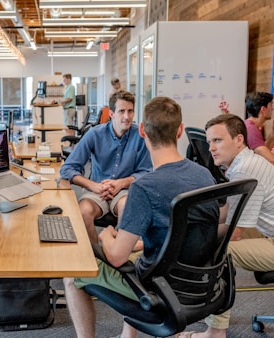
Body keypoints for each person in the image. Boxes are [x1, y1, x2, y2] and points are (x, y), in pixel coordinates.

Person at [63, 96, 220, 338]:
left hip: (158, 288)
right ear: (180, 131)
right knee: (138, 251)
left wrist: (107, 235)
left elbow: (116, 258)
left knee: (72, 276)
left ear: (143, 131)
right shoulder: (205, 176)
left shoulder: (144, 188)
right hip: (202, 283)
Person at [178, 113, 274, 338]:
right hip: (267, 229)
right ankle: (210, 304)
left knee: (221, 251)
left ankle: (215, 331)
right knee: (209, 235)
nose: (211, 148)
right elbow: (228, 212)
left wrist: (185, 238)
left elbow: (234, 232)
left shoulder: (244, 169)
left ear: (239, 140)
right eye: (209, 141)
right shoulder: (245, 162)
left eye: (218, 141)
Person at [60, 90, 152, 244]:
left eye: (130, 111)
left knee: (127, 207)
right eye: (121, 111)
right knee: (83, 212)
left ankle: (118, 254)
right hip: (97, 190)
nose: (127, 117)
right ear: (111, 114)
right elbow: (67, 168)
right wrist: (93, 186)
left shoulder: (140, 135)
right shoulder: (95, 134)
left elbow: (147, 172)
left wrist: (121, 183)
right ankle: (98, 256)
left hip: (124, 191)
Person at [244, 91, 274, 164]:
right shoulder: (251, 129)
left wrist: (273, 134)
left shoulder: (250, 125)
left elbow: (263, 151)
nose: (272, 109)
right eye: (271, 105)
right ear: (263, 109)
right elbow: (270, 159)